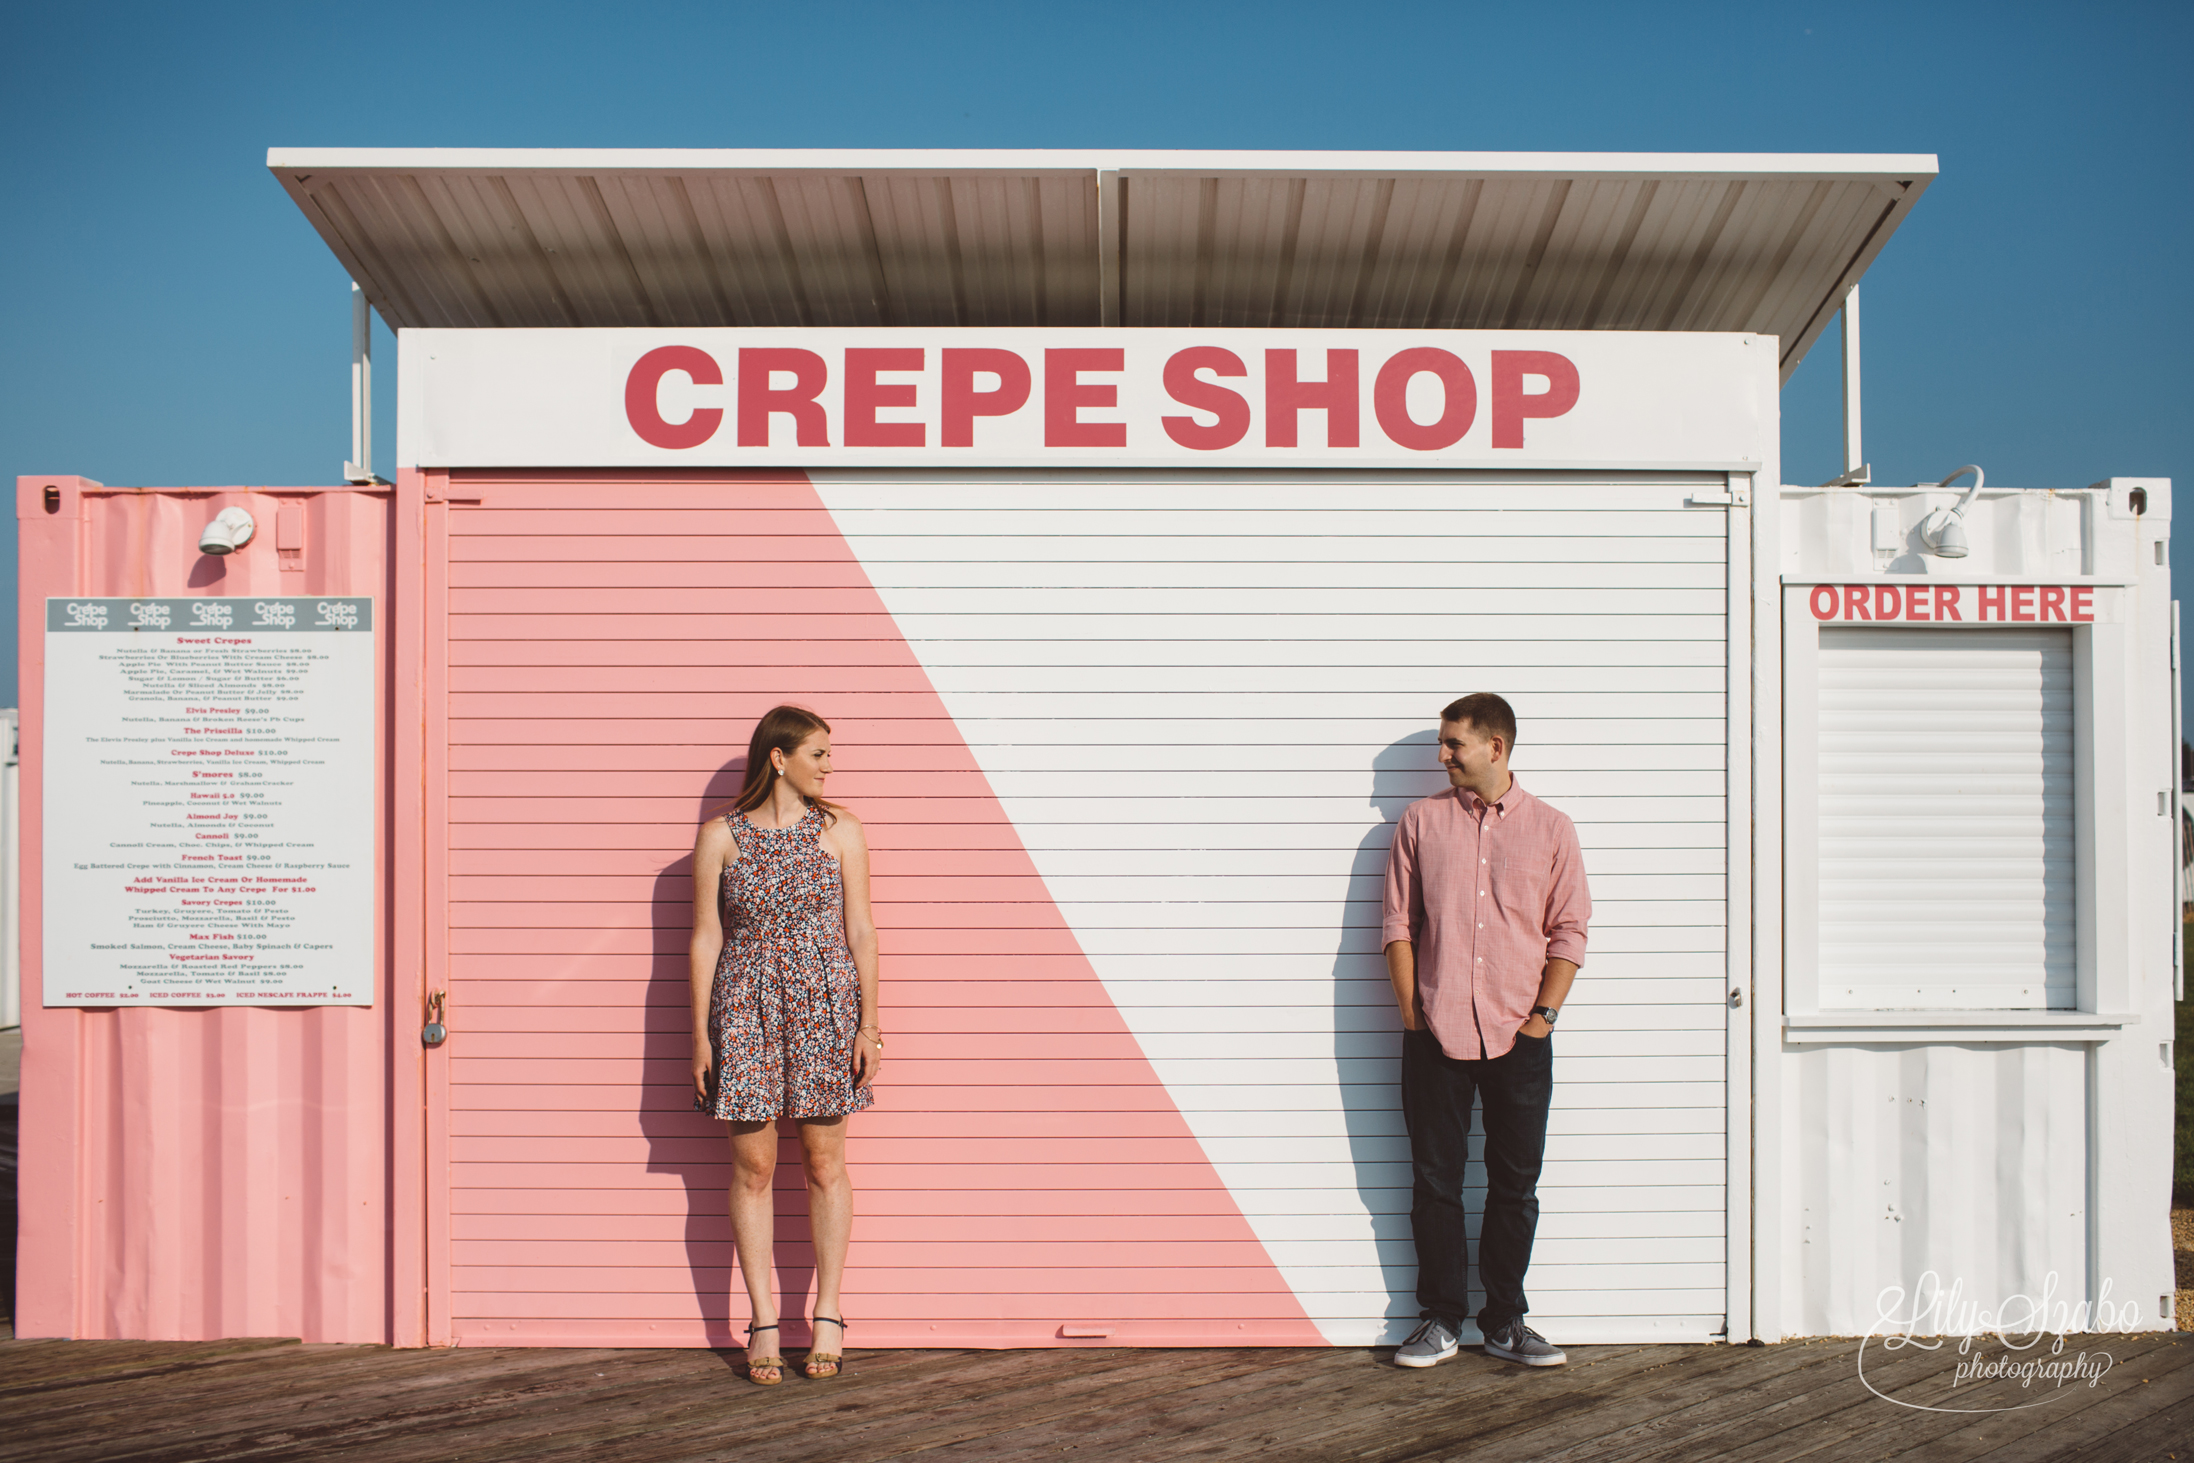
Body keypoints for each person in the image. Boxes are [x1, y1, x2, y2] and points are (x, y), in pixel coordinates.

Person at [1381, 693, 1590, 1369]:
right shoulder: (1419, 822)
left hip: (1519, 1037)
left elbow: (1570, 929)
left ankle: (1504, 1320)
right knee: (1434, 1182)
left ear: (1494, 747)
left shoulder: (1553, 829)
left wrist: (1542, 1019)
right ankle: (1440, 1319)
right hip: (1434, 1035)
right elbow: (1397, 926)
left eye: (1453, 744)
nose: (1443, 756)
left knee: (1515, 1185)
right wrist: (1414, 1016)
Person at [690, 705, 883, 1385]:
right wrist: (700, 1035)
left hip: (824, 1002)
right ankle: (764, 1318)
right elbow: (706, 938)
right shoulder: (720, 836)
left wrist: (869, 1023)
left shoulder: (841, 831)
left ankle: (827, 1312)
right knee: (754, 1166)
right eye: (819, 753)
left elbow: (861, 930)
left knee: (826, 1162)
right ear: (780, 757)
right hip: (743, 1004)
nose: (830, 766)